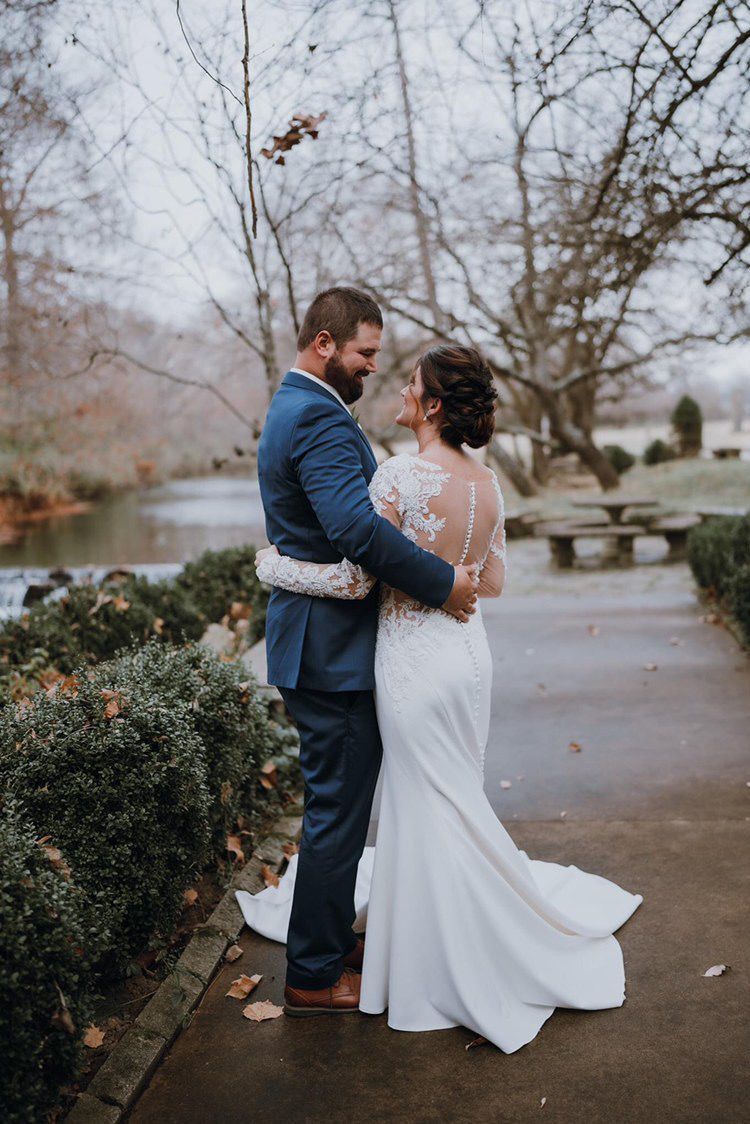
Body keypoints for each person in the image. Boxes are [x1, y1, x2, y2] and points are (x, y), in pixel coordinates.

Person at [240, 331, 643, 1052]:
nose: (395, 389)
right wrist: (443, 577)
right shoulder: (488, 485)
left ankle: (430, 953)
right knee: (454, 797)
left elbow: (359, 577)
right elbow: (489, 583)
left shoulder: (398, 476)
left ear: (429, 404)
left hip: (412, 665)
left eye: (409, 384)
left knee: (423, 805)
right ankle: (436, 935)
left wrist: (276, 568)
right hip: (467, 659)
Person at [251, 288, 480, 1016]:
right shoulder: (316, 418)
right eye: (364, 353)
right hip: (329, 652)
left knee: (340, 806)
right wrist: (443, 582)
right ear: (325, 343)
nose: (373, 368)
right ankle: (314, 975)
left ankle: (327, 935)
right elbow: (355, 532)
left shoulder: (302, 408)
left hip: (323, 644)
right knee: (336, 811)